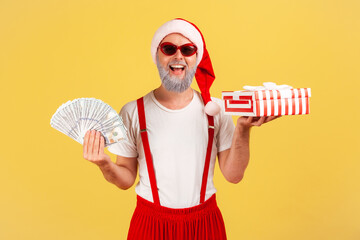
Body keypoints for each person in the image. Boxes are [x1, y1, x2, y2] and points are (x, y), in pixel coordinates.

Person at [82, 18, 280, 240]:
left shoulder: (215, 111)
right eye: (169, 49)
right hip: (150, 224)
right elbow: (126, 179)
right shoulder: (132, 112)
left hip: (205, 224)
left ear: (196, 58)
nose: (179, 56)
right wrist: (104, 163)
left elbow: (233, 175)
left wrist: (243, 128)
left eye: (187, 50)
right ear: (157, 55)